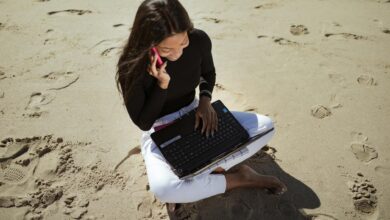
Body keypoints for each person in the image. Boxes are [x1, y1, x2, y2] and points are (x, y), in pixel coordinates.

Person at [115, 0, 287, 212]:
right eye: (167, 48)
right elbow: (144, 122)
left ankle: (196, 174)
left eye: (183, 42)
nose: (177, 53)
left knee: (266, 127)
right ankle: (240, 178)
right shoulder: (131, 67)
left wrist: (205, 100)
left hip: (196, 114)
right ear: (149, 43)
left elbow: (208, 73)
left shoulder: (199, 40)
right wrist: (162, 84)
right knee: (164, 189)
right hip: (160, 130)